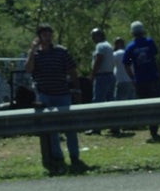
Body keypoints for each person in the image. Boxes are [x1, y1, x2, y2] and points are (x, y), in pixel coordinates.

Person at [25, 23, 82, 171]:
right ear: (39, 37)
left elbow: (72, 70)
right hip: (44, 95)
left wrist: (76, 89)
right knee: (52, 129)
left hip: (62, 93)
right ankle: (58, 156)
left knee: (69, 127)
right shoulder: (35, 54)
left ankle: (75, 156)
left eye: (49, 34)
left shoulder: (61, 52)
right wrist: (32, 50)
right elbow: (28, 69)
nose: (47, 37)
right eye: (44, 34)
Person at [123, 21, 160, 142]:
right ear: (143, 31)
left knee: (148, 108)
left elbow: (126, 64)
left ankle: (154, 131)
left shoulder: (130, 47)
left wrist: (133, 78)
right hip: (153, 78)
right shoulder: (149, 42)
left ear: (132, 33)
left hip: (141, 81)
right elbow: (155, 56)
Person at [85, 27, 115, 135]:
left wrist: (92, 74)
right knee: (110, 101)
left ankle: (96, 127)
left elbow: (99, 59)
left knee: (98, 102)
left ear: (99, 36)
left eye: (94, 36)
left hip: (101, 76)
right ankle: (114, 126)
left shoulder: (100, 46)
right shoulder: (109, 45)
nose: (93, 38)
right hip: (111, 75)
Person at [113, 37, 135, 101]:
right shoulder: (129, 53)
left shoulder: (116, 54)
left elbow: (111, 65)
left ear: (117, 44)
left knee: (119, 101)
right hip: (131, 80)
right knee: (132, 100)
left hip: (121, 81)